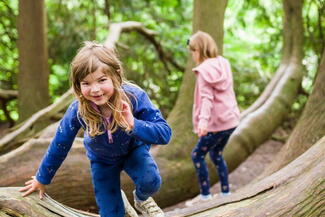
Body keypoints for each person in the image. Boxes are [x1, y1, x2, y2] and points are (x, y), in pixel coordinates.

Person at [19, 41, 171, 217]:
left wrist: (133, 124)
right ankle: (119, 203)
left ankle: (141, 199)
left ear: (116, 75)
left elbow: (164, 133)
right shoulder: (78, 110)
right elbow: (60, 143)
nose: (95, 90)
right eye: (86, 83)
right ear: (78, 85)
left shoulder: (134, 97)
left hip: (133, 151)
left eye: (102, 80)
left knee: (151, 181)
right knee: (110, 213)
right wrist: (42, 178)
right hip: (102, 161)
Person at [185, 31, 240, 207]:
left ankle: (206, 195)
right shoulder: (224, 63)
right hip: (230, 121)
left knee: (197, 155)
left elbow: (207, 99)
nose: (192, 55)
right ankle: (225, 193)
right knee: (216, 154)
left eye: (193, 51)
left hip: (215, 125)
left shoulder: (202, 71)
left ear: (199, 50)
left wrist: (203, 122)